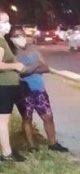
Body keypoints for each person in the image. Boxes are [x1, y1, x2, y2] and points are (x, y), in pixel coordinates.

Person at [7, 26, 69, 153]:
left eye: (22, 34)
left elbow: (46, 68)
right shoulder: (12, 54)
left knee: (48, 117)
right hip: (23, 91)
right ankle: (32, 146)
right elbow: (20, 73)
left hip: (39, 89)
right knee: (27, 119)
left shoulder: (33, 49)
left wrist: (27, 68)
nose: (21, 38)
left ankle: (53, 143)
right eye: (17, 35)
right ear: (11, 38)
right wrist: (36, 65)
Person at [0, 11, 25, 161]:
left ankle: (7, 150)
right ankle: (7, 153)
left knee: (4, 120)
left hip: (6, 85)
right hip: (3, 86)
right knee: (3, 120)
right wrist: (16, 65)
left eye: (8, 21)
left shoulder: (3, 40)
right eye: (3, 21)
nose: (7, 25)